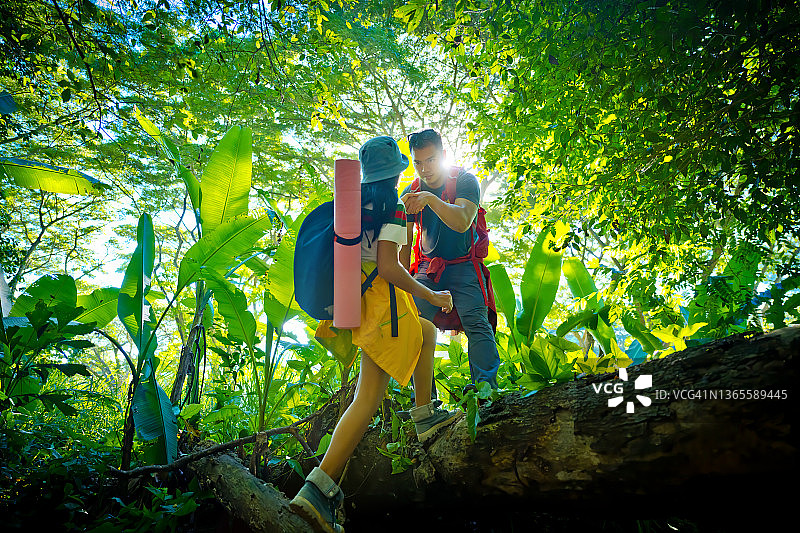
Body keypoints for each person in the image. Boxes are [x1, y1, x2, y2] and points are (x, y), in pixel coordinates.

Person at [290, 136, 461, 533]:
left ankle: (425, 415)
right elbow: (389, 266)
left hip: (364, 304)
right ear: (397, 172)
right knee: (367, 398)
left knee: (426, 332)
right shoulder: (392, 209)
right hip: (385, 307)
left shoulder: (354, 208)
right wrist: (431, 294)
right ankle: (317, 491)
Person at [400, 128, 500, 390]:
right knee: (413, 322)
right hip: (428, 268)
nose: (425, 169)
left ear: (443, 155)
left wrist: (430, 199)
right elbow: (404, 243)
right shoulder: (411, 191)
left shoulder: (464, 181)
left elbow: (462, 220)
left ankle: (485, 392)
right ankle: (424, 400)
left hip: (464, 265)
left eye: (431, 160)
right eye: (418, 163)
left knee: (477, 323)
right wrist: (401, 281)